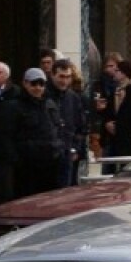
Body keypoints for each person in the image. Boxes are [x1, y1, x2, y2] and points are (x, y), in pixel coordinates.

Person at [1, 68, 64, 199]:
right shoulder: (14, 106)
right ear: (25, 83)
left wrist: (59, 148)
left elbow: (58, 128)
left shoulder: (50, 104)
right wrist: (15, 159)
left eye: (41, 84)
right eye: (34, 83)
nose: (38, 87)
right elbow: (7, 135)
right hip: (27, 165)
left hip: (51, 162)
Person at [47, 58, 87, 187]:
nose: (64, 81)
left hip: (67, 153)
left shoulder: (73, 98)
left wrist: (75, 148)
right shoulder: (44, 95)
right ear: (53, 75)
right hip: (48, 154)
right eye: (61, 76)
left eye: (68, 77)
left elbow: (80, 126)